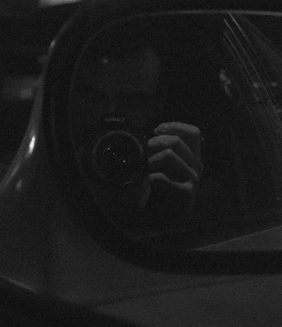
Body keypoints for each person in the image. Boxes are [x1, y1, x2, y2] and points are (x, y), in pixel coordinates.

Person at [69, 26, 209, 233]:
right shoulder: (43, 173)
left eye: (132, 104)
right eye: (91, 99)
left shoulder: (191, 186)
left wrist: (176, 215)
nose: (110, 117)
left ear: (157, 105)